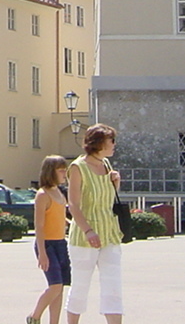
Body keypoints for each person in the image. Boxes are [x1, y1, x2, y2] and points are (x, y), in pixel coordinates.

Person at [66, 124, 124, 324]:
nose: (114, 145)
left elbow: (106, 199)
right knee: (80, 286)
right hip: (84, 236)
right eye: (111, 140)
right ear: (99, 143)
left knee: (113, 286)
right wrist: (88, 231)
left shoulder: (106, 164)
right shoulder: (78, 167)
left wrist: (115, 183)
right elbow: (73, 204)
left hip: (109, 233)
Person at [28, 155, 71, 324]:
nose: (64, 174)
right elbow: (39, 226)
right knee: (55, 286)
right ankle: (34, 316)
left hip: (61, 243)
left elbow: (59, 216)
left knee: (60, 289)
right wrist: (42, 253)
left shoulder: (59, 192)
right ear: (50, 172)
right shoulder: (42, 195)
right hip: (47, 245)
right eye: (61, 171)